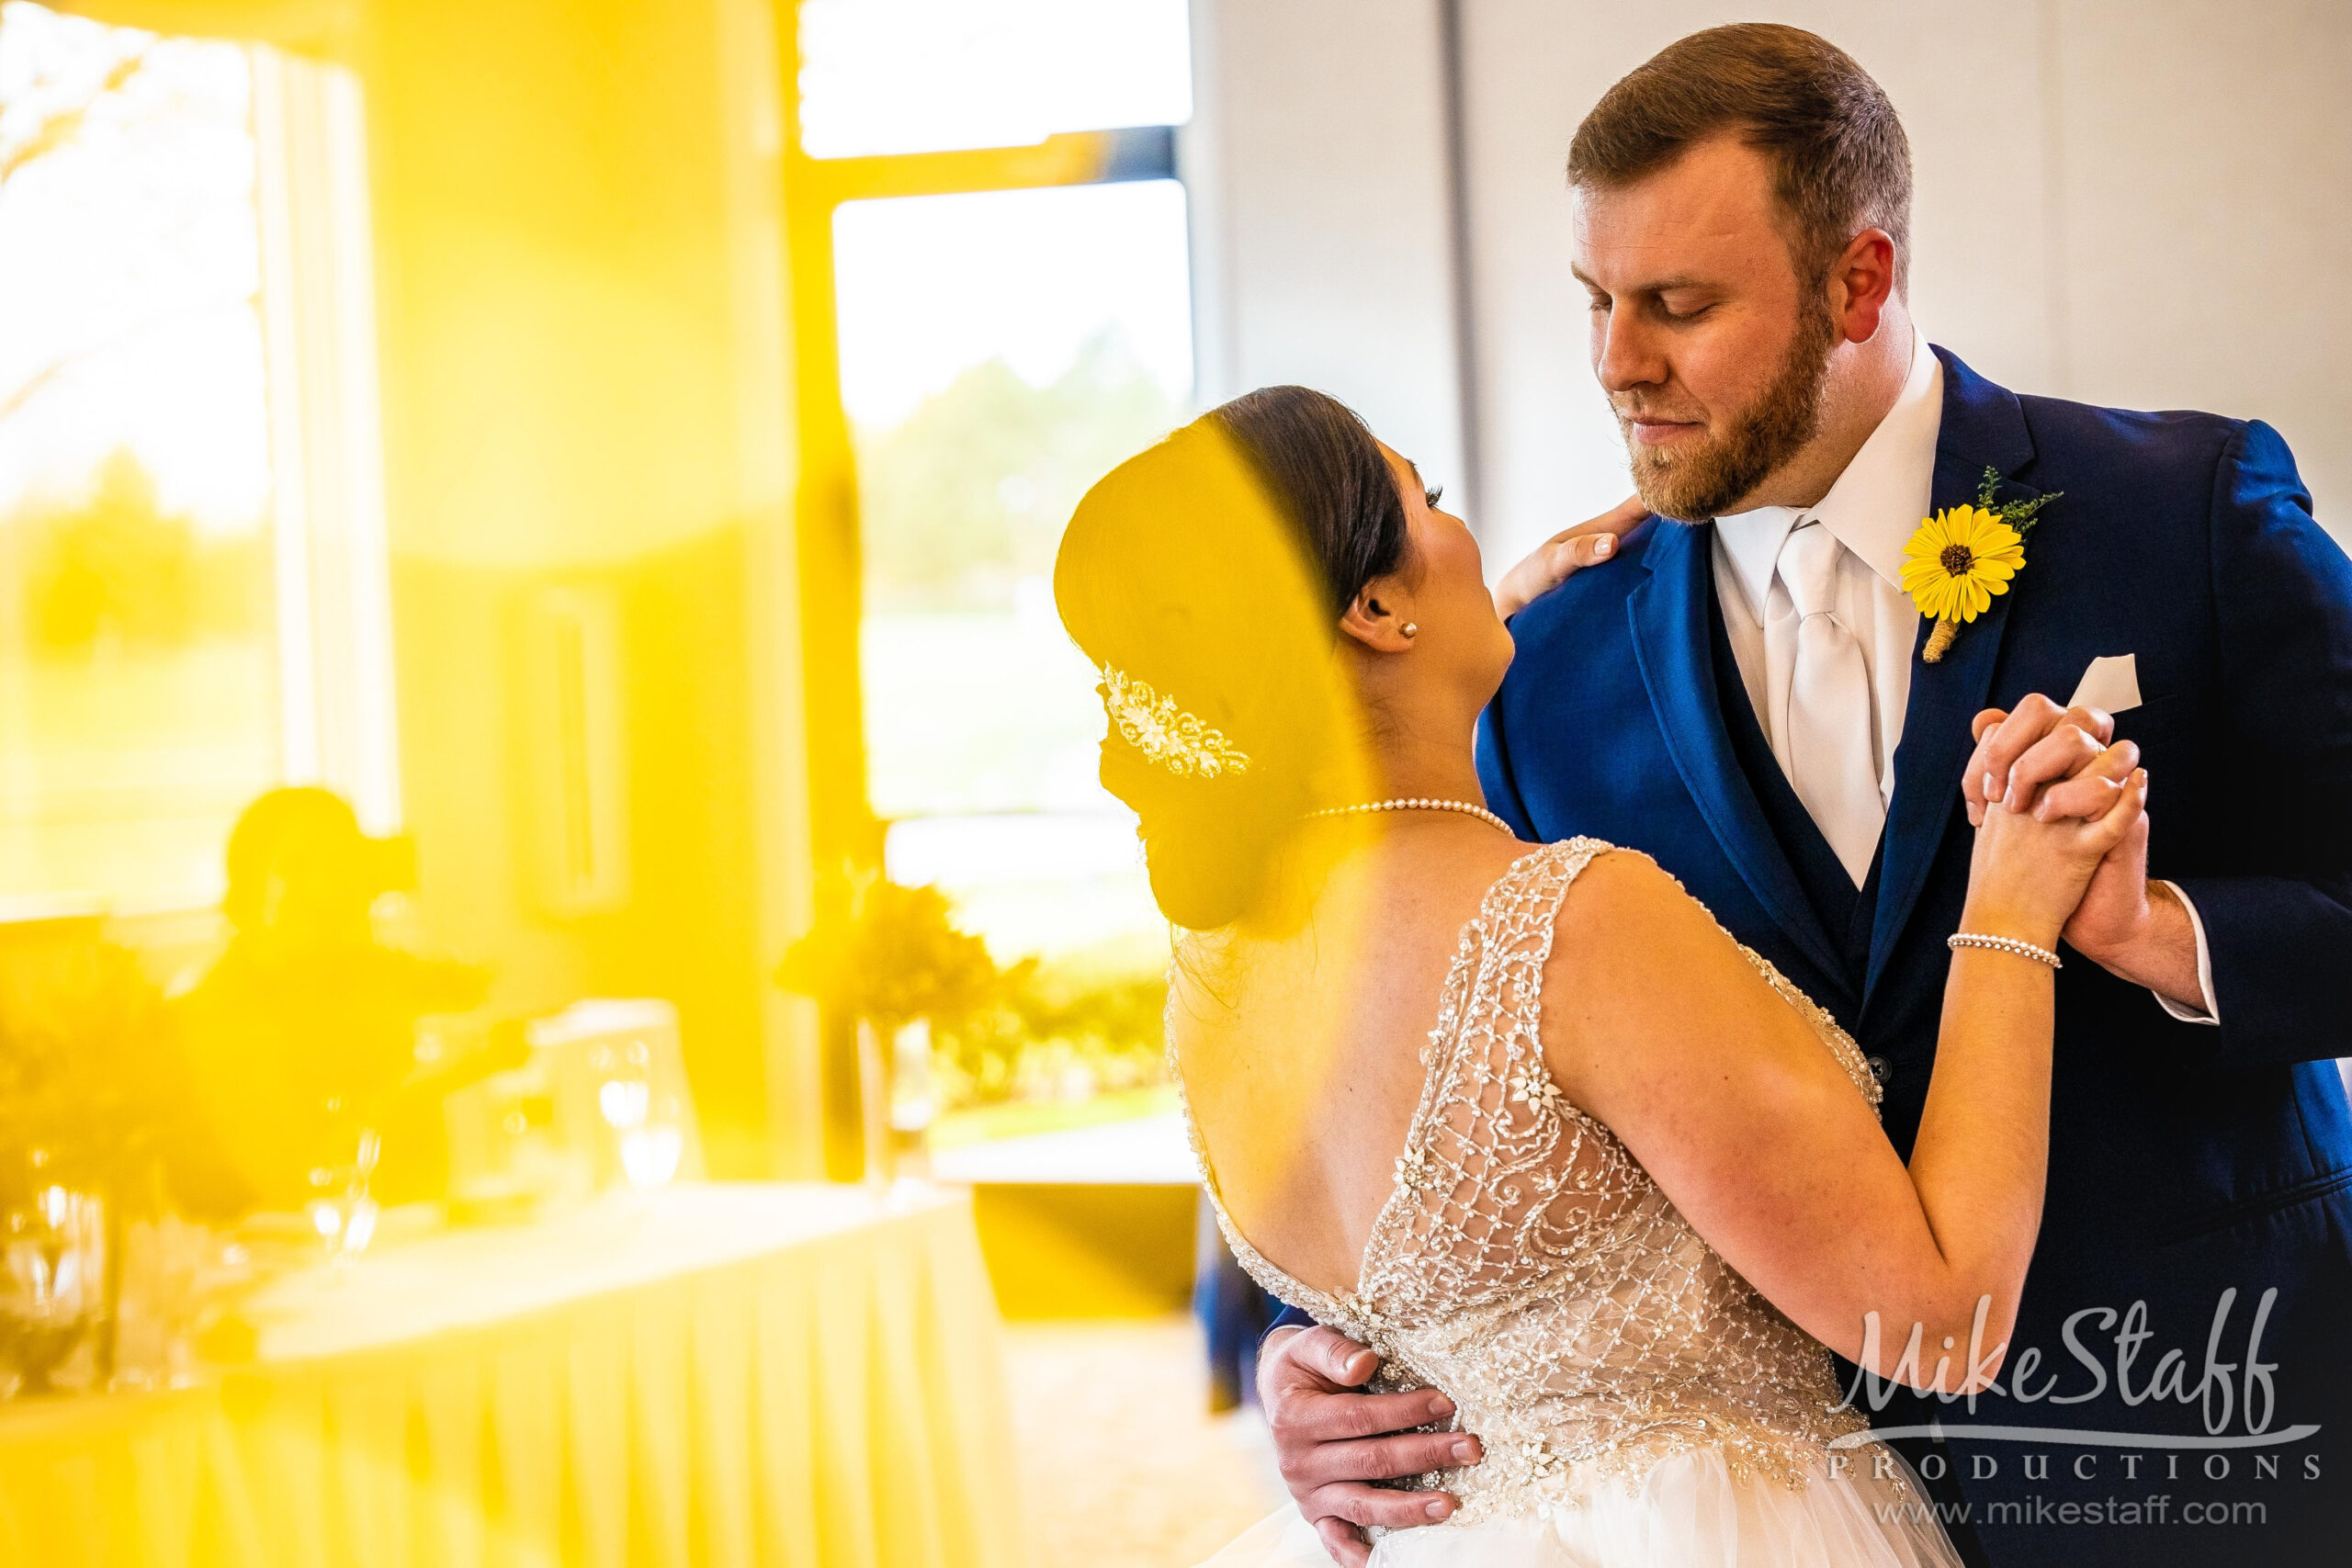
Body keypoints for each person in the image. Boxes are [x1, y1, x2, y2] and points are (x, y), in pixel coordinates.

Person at [1261, 24, 2352, 1568]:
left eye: (1679, 307)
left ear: (1859, 281)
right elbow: (1434, 1059)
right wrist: (1302, 1361)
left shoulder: (2185, 511)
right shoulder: (1546, 668)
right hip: (1784, 1506)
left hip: (2215, 1443)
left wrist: (2160, 931)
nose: (1616, 365)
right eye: (1597, 301)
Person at [1055, 384, 2143, 1566]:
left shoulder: (1216, 975)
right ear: (1370, 606)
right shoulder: (1568, 924)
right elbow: (1942, 1327)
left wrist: (1442, 653)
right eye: (1428, 500)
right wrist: (2012, 905)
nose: (1471, 539)